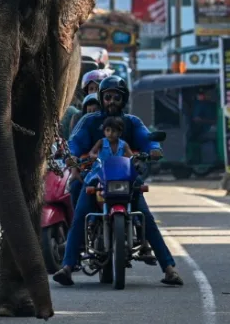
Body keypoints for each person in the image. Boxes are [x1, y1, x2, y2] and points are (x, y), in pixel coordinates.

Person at [52, 75, 184, 287]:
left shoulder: (133, 122)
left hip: (126, 177)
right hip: (97, 177)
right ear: (102, 98)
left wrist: (154, 150)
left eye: (116, 97)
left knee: (146, 217)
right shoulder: (90, 121)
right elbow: (75, 143)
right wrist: (72, 155)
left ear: (124, 100)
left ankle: (169, 269)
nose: (111, 101)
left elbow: (146, 138)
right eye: (107, 97)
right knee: (80, 215)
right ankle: (67, 267)